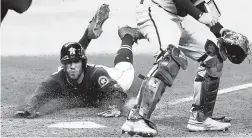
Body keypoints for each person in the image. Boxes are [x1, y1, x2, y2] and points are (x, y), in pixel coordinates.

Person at [120, 0, 250, 137]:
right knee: (169, 59)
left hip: (178, 17)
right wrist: (200, 15)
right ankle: (136, 118)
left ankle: (200, 118)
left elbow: (198, 2)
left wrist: (220, 31)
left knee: (213, 56)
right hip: (156, 10)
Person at [14, 4, 138, 118]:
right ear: (63, 65)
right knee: (72, 57)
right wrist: (29, 109)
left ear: (83, 63)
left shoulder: (97, 74)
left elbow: (117, 91)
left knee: (126, 71)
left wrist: (115, 107)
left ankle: (127, 36)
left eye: (76, 62)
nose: (72, 66)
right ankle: (87, 36)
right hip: (85, 83)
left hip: (111, 76)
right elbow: (41, 93)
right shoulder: (57, 78)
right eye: (68, 63)